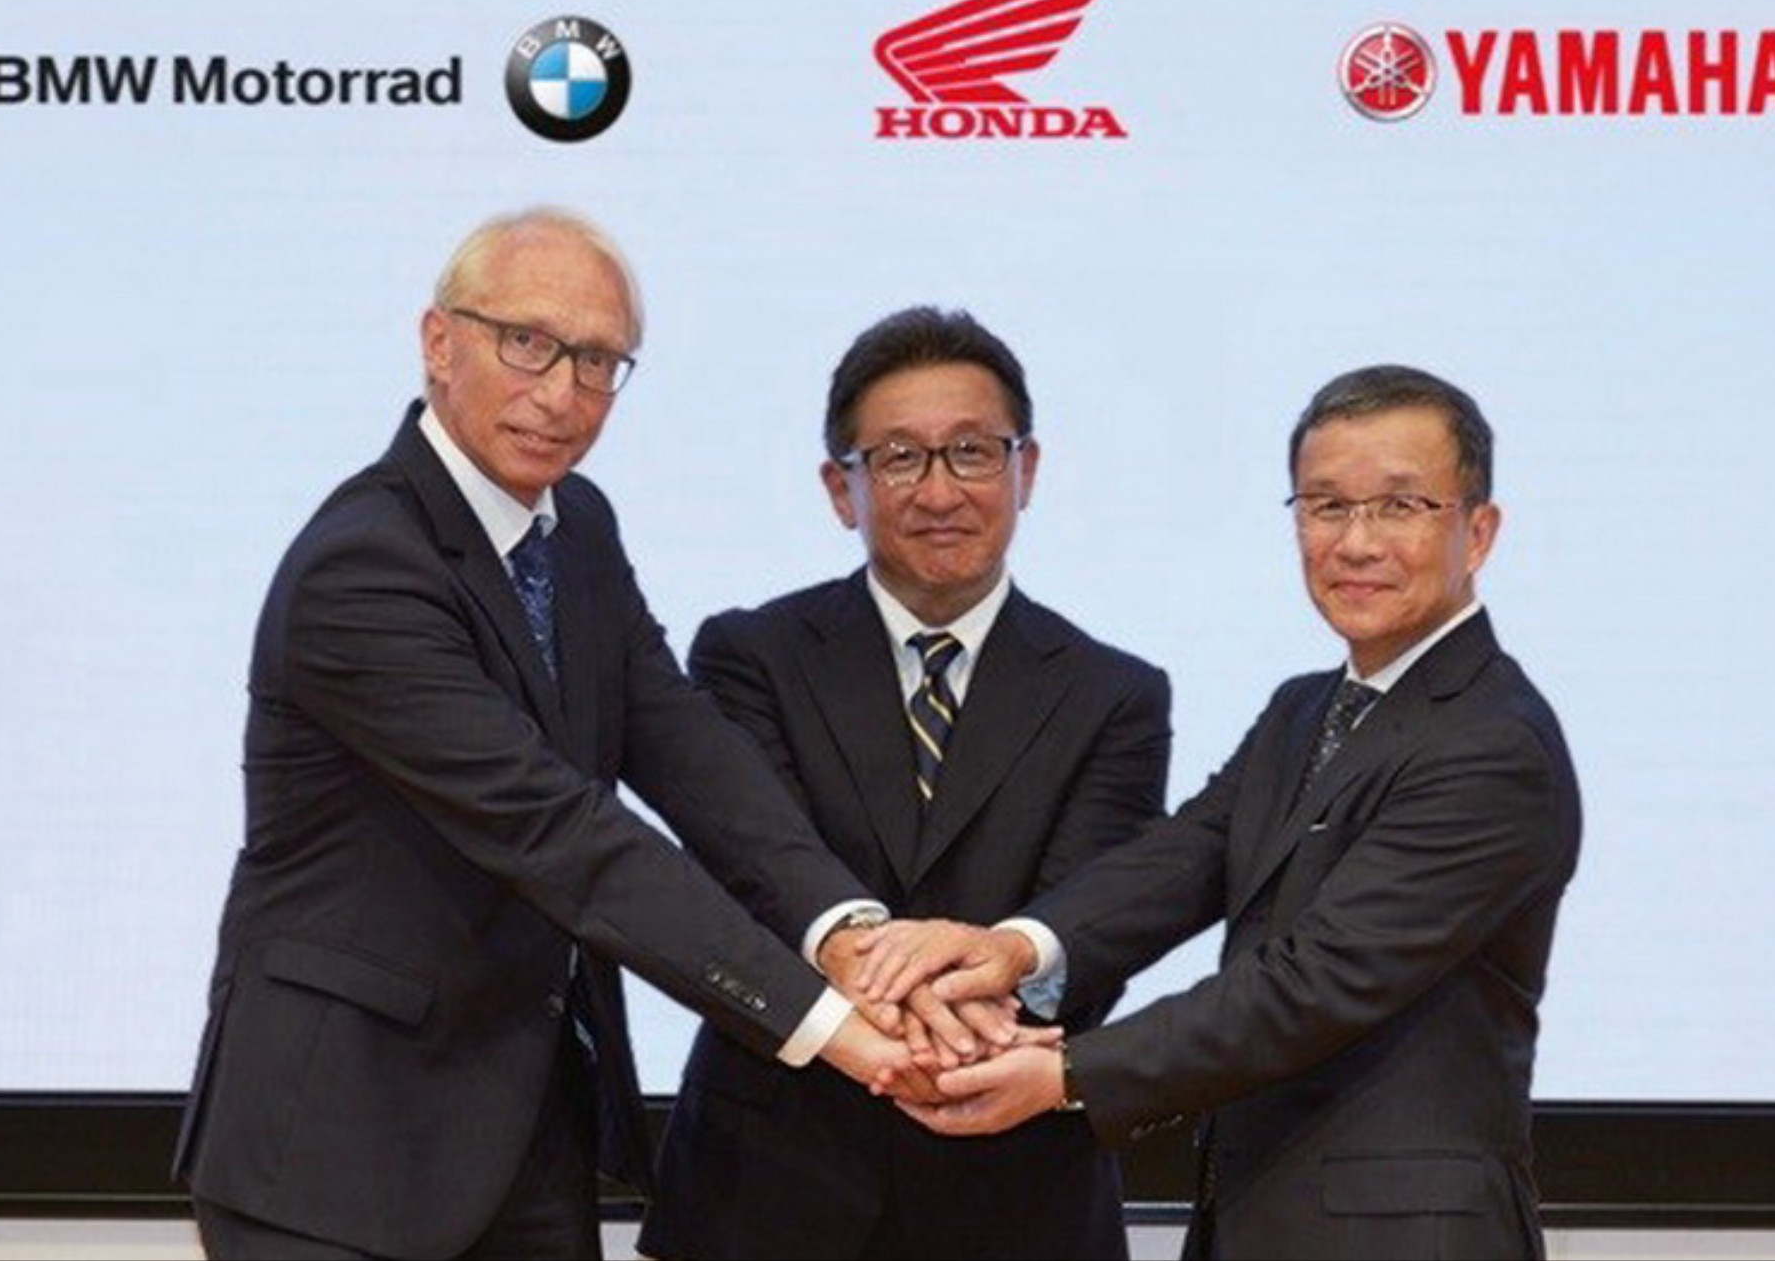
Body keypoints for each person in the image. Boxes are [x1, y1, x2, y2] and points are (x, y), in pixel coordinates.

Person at [173, 207, 939, 1261]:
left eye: (597, 361)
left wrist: (846, 933)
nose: (562, 393)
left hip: (524, 1129)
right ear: (439, 341)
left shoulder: (577, 526)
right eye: (526, 342)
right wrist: (824, 1023)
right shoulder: (363, 566)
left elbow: (686, 747)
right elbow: (558, 830)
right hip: (336, 1149)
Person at [871, 365, 1583, 1260]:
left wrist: (1068, 1073)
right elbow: (1183, 858)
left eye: (1400, 506)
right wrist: (1012, 948)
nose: (1356, 542)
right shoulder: (1304, 709)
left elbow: (1313, 982)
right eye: (1325, 506)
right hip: (1258, 1214)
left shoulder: (1492, 743)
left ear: (1478, 531)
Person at [637, 307, 1173, 1260]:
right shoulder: (749, 656)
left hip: (1016, 1191)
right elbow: (754, 883)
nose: (939, 490)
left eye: (972, 451)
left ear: (1025, 469)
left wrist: (949, 1034)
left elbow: (1090, 929)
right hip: (767, 1185)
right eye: (898, 458)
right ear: (841, 489)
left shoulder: (1115, 695)